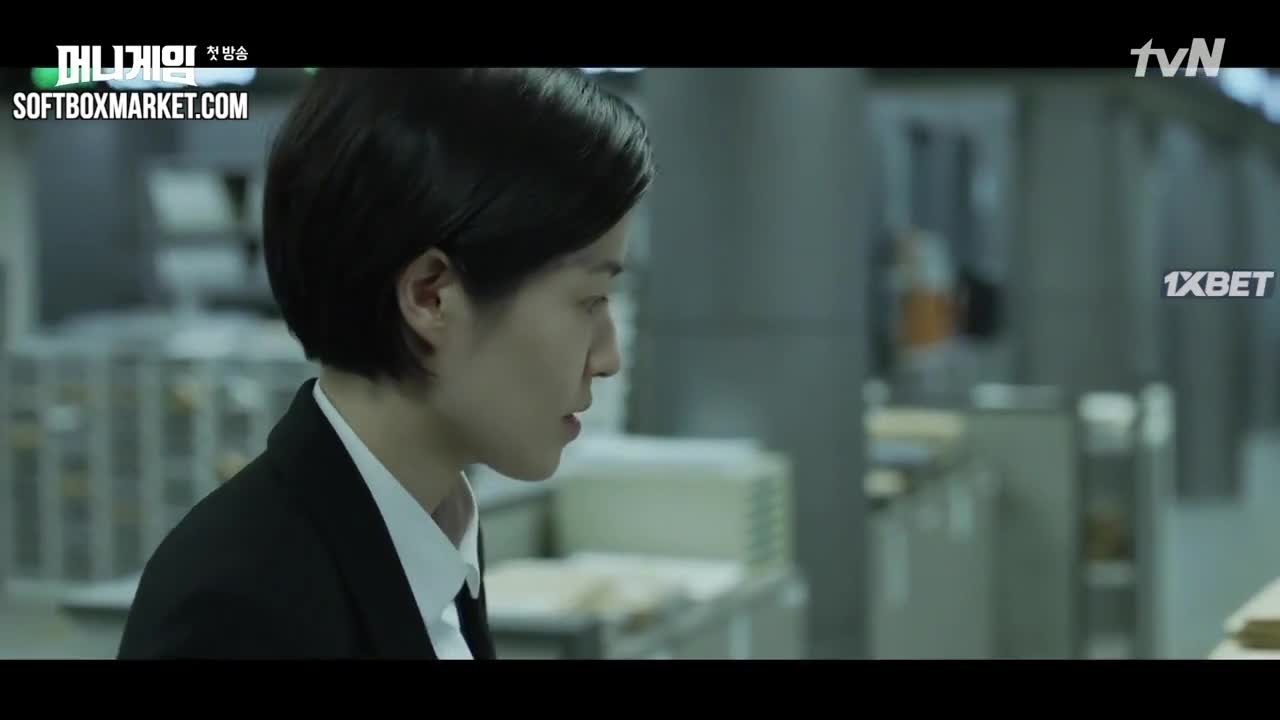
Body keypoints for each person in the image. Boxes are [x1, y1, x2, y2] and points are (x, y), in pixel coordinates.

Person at [116, 68, 656, 659]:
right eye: (589, 300)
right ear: (431, 297)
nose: (608, 357)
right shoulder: (237, 614)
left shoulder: (430, 530)